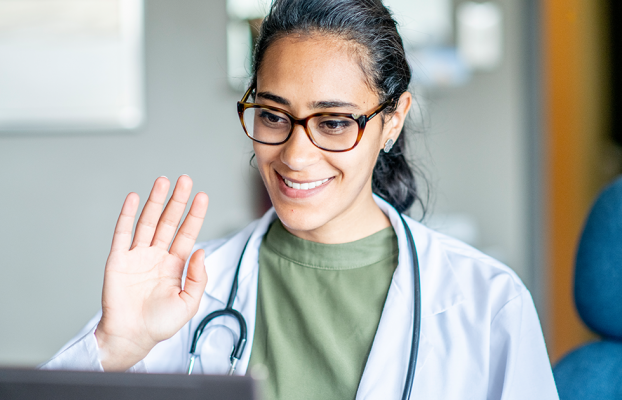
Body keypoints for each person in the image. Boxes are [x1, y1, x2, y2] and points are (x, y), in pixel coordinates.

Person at [42, 0, 559, 399]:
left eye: (334, 123)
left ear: (393, 120)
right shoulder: (189, 291)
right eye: (272, 116)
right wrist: (114, 347)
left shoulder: (487, 302)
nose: (295, 155)